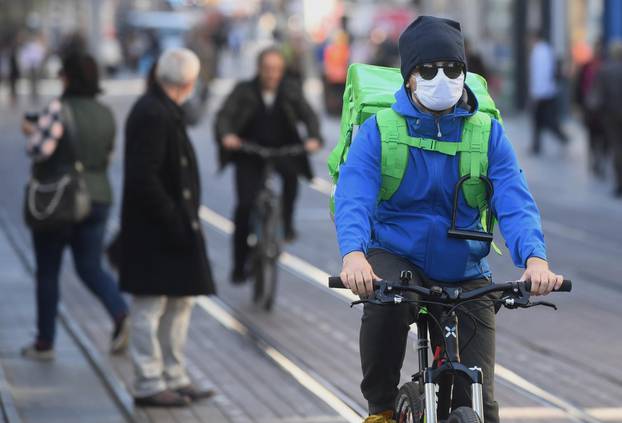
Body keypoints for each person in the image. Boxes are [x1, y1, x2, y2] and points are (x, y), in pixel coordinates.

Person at [333, 16, 564, 423]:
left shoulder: (487, 132)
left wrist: (535, 260)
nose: (442, 77)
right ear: (409, 78)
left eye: (453, 69)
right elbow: (354, 197)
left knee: (480, 400)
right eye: (428, 69)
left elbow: (514, 201)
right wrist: (354, 255)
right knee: (385, 307)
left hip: (463, 266)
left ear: (465, 73)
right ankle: (382, 409)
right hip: (396, 254)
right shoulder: (379, 131)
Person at [120, 48, 216, 407]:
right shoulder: (152, 114)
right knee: (150, 306)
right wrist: (173, 217)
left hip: (172, 228)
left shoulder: (161, 109)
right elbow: (143, 177)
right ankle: (148, 382)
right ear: (189, 82)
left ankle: (174, 375)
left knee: (180, 302)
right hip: (156, 230)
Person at [20, 53, 129, 361]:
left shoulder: (59, 109)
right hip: (98, 198)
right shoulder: (106, 113)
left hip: (59, 199)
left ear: (66, 78)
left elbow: (39, 150)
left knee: (48, 271)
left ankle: (45, 342)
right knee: (90, 266)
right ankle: (120, 313)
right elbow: (106, 156)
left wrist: (31, 131)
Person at [214, 46, 322, 284]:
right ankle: (239, 265)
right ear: (259, 69)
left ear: (282, 71)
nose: (272, 75)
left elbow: (310, 115)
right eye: (267, 69)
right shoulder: (244, 90)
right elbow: (224, 116)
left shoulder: (291, 90)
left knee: (292, 180)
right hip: (249, 152)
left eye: (276, 70)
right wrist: (227, 136)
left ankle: (287, 223)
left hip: (283, 150)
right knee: (244, 206)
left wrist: (313, 137)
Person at [529, 31, 568, 155]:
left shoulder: (539, 52)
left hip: (542, 93)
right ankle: (537, 145)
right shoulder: (545, 50)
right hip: (547, 92)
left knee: (543, 119)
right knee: (541, 120)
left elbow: (540, 74)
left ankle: (561, 137)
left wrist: (536, 93)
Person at [592, 40, 622, 198]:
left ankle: (619, 183)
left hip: (611, 115)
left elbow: (598, 97)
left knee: (616, 148)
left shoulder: (605, 70)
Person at [575, 41, 607, 177]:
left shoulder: (604, 67)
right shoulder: (585, 67)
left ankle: (598, 160)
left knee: (601, 136)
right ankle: (595, 160)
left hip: (601, 109)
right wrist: (578, 104)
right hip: (590, 108)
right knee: (593, 136)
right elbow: (578, 88)